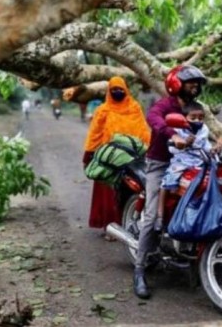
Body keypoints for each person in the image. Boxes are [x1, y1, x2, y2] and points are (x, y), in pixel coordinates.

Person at [133, 64, 207, 299]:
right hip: (161, 164)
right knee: (152, 215)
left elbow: (205, 130)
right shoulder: (166, 105)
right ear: (176, 83)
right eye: (190, 82)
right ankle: (140, 270)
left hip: (189, 162)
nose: (195, 86)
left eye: (197, 83)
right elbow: (153, 117)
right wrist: (171, 133)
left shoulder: (197, 108)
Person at [83, 76, 151, 239]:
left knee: (131, 192)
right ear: (109, 91)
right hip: (110, 160)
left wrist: (147, 150)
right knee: (108, 195)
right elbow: (95, 134)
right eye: (114, 90)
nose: (117, 92)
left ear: (126, 90)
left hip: (132, 159)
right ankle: (110, 227)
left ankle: (131, 226)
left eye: (120, 89)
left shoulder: (134, 108)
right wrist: (89, 154)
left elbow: (143, 131)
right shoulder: (103, 110)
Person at [155, 101, 212, 232]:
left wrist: (214, 150)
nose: (197, 120)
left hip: (199, 163)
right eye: (193, 118)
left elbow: (206, 146)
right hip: (181, 162)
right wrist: (184, 143)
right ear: (184, 118)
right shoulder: (177, 130)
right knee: (166, 182)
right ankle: (160, 216)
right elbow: (171, 148)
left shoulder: (204, 130)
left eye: (201, 118)